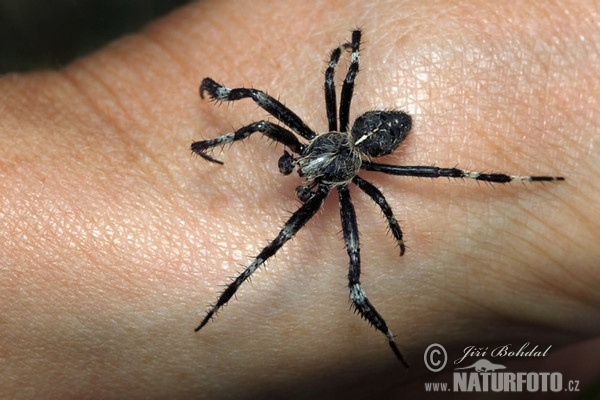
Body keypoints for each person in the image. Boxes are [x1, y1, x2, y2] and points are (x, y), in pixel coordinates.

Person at [1, 1, 598, 398]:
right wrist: (342, 54)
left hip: (365, 139)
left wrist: (353, 51)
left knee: (357, 269)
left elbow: (340, 80)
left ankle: (523, 185)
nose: (299, 176)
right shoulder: (316, 153)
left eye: (308, 175)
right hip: (346, 141)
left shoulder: (354, 178)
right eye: (304, 171)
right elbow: (309, 87)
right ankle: (222, 143)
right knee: (259, 108)